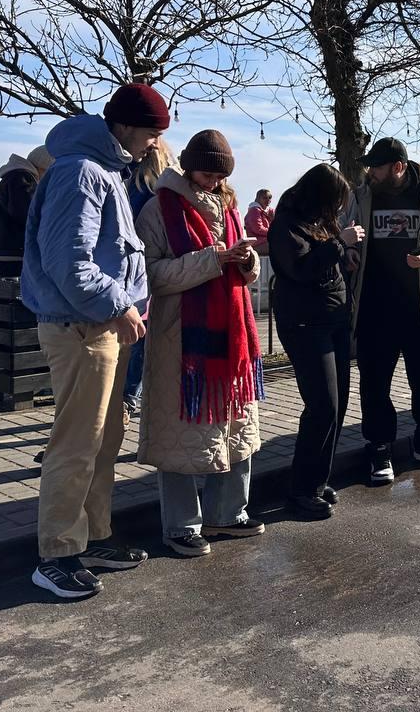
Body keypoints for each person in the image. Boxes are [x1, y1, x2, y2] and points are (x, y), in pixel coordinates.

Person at [22, 82, 168, 599]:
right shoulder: (81, 171)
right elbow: (69, 262)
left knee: (103, 439)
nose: (155, 142)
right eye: (152, 132)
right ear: (125, 126)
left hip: (99, 325)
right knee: (78, 441)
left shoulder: (103, 168)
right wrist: (120, 304)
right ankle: (57, 553)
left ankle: (93, 537)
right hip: (82, 327)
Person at [135, 130, 264, 557]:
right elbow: (151, 275)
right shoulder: (158, 209)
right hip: (180, 340)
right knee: (183, 433)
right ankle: (181, 525)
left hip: (233, 338)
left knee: (238, 427)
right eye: (207, 173)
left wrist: (247, 264)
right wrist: (213, 260)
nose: (212, 182)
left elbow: (244, 273)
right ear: (188, 166)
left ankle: (227, 514)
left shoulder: (228, 206)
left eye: (219, 176)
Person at [345, 137, 420, 484]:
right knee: (375, 386)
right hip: (373, 308)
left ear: (397, 167)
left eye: (378, 166)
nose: (371, 171)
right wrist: (348, 251)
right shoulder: (360, 196)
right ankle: (380, 452)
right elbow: (342, 233)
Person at [270, 164, 364, 520]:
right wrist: (341, 243)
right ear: (320, 196)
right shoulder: (287, 223)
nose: (340, 210)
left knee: (337, 405)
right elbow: (301, 269)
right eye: (337, 202)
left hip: (334, 319)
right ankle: (300, 490)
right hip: (305, 323)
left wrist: (344, 255)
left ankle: (317, 479)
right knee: (322, 405)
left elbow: (325, 260)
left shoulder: (320, 220)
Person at [122, 141, 176, 419]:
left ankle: (126, 399)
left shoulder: (128, 186)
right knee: (141, 342)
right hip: (146, 276)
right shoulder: (156, 194)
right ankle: (130, 398)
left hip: (128, 274)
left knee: (131, 343)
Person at [0, 145, 54, 277]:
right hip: (13, 254)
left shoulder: (15, 178)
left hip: (6, 254)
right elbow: (30, 215)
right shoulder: (21, 179)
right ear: (43, 168)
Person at [244, 189, 276, 255]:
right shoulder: (254, 210)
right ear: (258, 199)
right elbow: (258, 229)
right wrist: (274, 232)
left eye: (269, 198)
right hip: (257, 244)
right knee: (282, 246)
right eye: (264, 198)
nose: (268, 200)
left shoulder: (269, 211)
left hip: (267, 240)